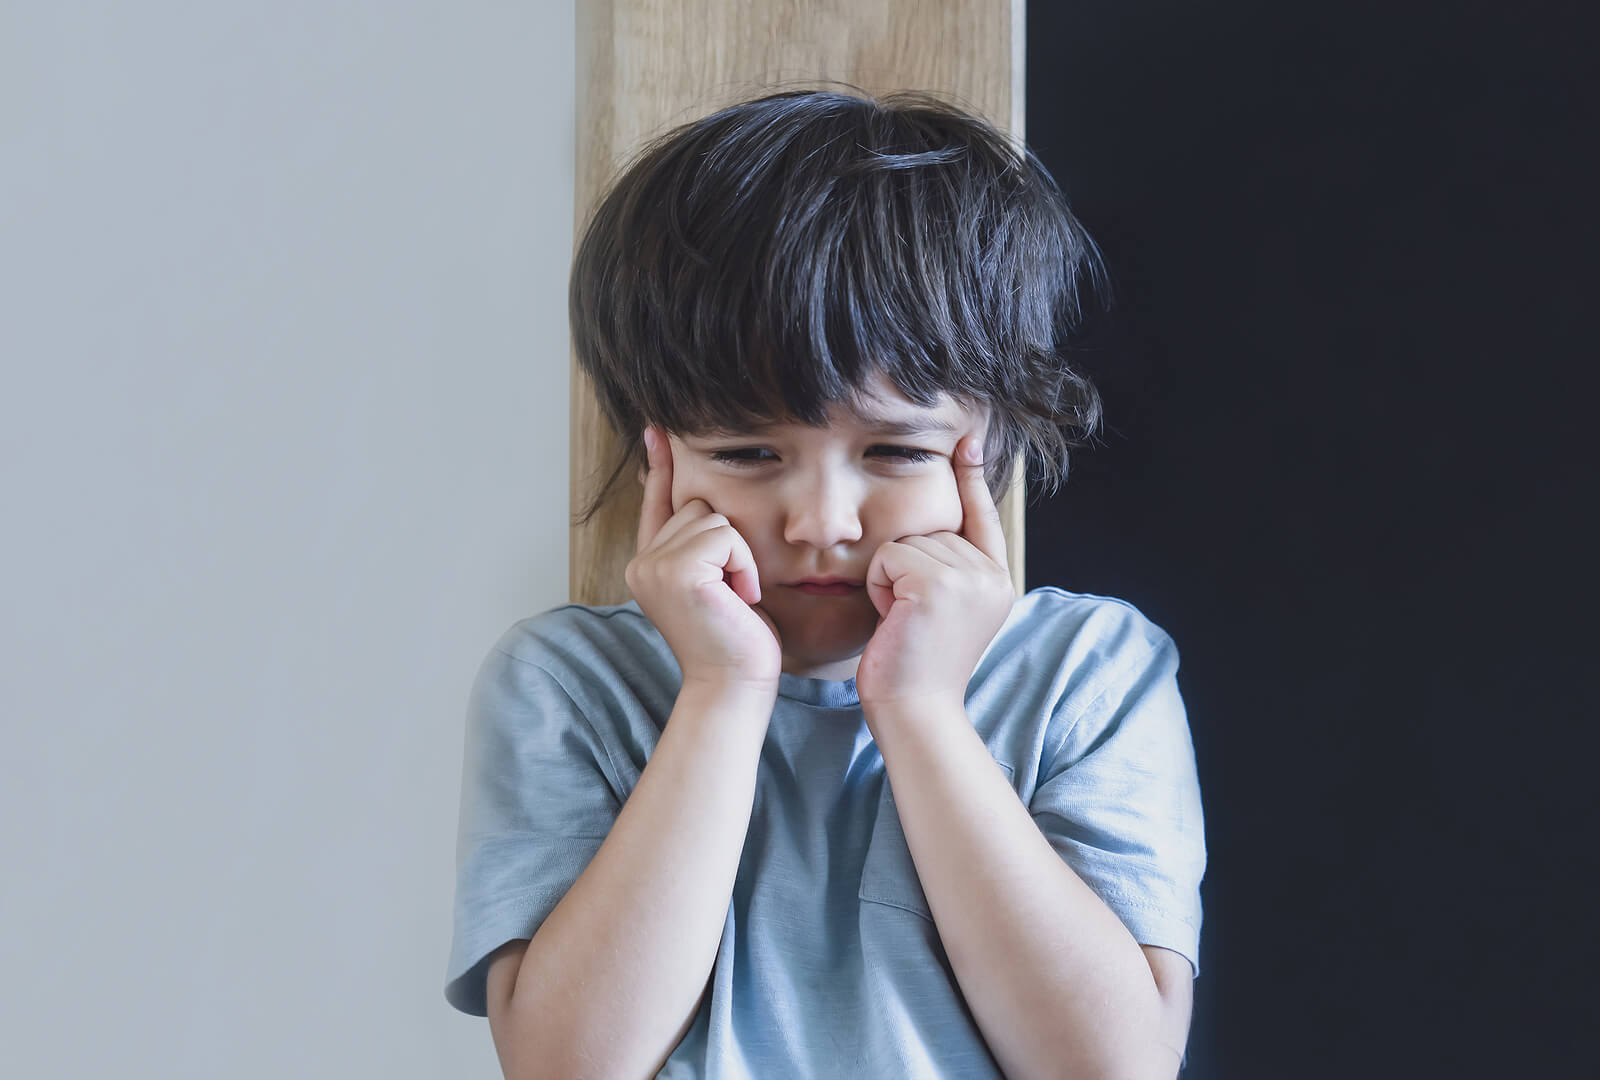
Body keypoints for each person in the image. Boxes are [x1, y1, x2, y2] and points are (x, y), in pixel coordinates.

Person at [444, 86, 1206, 1079]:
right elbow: (566, 1066)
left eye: (893, 452)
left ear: (987, 451)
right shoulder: (567, 685)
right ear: (657, 459)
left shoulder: (1089, 672)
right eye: (749, 453)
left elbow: (1113, 1067)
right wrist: (721, 693)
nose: (819, 524)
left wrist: (921, 708)